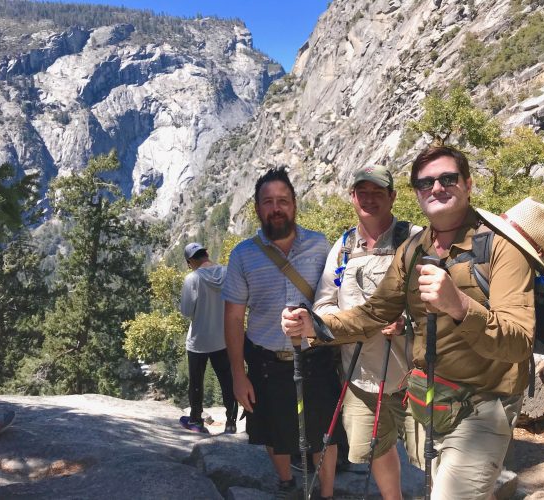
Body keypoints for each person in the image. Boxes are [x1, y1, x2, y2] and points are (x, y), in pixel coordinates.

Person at [282, 145, 544, 499]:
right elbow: (374, 312)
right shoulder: (415, 247)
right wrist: (316, 327)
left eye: (448, 178)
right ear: (416, 192)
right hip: (432, 400)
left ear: (468, 184)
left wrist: (460, 305)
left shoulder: (501, 249)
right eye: (426, 182)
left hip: (484, 405)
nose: (437, 188)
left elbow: (518, 343)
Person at [222, 167, 339, 500]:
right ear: (258, 208)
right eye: (268, 202)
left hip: (315, 358)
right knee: (274, 431)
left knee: (324, 434)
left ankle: (326, 494)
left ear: (294, 205)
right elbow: (232, 318)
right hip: (265, 360)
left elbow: (333, 301)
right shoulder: (243, 254)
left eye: (282, 201)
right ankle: (286, 483)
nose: (276, 208)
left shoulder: (320, 246)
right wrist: (237, 375)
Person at [313, 165, 421, 499]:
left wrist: (406, 323)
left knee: (432, 451)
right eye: (363, 192)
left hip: (414, 375)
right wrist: (354, 322)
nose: (369, 199)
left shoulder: (415, 239)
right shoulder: (344, 246)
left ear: (392, 196)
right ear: (352, 197)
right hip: (360, 378)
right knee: (374, 447)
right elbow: (322, 304)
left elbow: (438, 305)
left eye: (377, 192)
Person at [179, 242, 238, 434]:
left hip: (198, 340)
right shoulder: (228, 272)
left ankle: (196, 420)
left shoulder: (192, 279)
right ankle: (231, 422)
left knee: (196, 382)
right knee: (227, 381)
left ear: (190, 262)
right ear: (206, 253)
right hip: (223, 338)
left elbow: (187, 311)